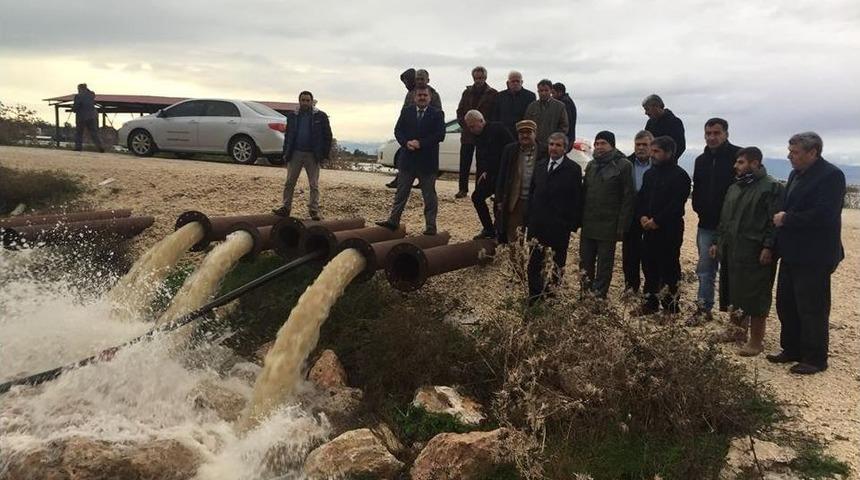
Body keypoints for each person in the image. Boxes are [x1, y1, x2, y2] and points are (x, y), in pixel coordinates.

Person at [768, 132, 845, 375]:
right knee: (786, 303)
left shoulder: (831, 176)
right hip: (791, 252)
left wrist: (788, 219)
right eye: (789, 151)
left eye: (795, 152)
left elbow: (825, 214)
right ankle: (792, 348)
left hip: (815, 254)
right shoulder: (794, 174)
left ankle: (815, 358)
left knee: (812, 307)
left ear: (813, 152)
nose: (789, 156)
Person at [710, 147, 783, 356]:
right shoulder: (735, 187)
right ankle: (736, 331)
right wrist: (716, 241)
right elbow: (724, 219)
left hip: (755, 250)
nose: (736, 166)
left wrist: (769, 246)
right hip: (732, 248)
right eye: (737, 162)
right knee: (734, 289)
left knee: (756, 294)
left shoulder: (770, 187)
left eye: (741, 162)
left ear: (755, 163)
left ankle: (756, 341)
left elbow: (774, 222)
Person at [689, 118, 742, 324]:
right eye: (708, 133)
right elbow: (699, 188)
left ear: (726, 134)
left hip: (733, 227)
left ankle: (737, 317)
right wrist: (699, 208)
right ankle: (703, 309)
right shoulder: (700, 160)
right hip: (707, 224)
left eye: (716, 133)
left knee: (733, 270)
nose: (712, 137)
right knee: (705, 268)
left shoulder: (737, 157)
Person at [377, 86, 446, 235]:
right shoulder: (406, 112)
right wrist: (405, 142)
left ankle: (430, 227)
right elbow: (398, 131)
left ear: (429, 97)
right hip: (407, 160)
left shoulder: (437, 114)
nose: (422, 97)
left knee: (429, 196)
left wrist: (421, 143)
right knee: (401, 193)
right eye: (419, 95)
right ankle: (393, 221)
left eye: (424, 95)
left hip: (427, 162)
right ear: (415, 97)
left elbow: (440, 135)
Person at [634, 136, 691, 315]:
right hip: (648, 229)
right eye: (652, 151)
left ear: (669, 153)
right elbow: (642, 198)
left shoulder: (680, 176)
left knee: (669, 269)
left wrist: (657, 221)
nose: (652, 155)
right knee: (649, 266)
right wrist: (642, 216)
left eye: (656, 151)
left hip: (669, 230)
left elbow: (676, 205)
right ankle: (649, 304)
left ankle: (670, 307)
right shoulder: (650, 173)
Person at [526, 132, 583, 302]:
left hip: (559, 226)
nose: (554, 148)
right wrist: (529, 217)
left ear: (565, 148)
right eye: (551, 144)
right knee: (534, 262)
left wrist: (571, 224)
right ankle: (535, 295)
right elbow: (532, 193)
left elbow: (576, 199)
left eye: (558, 145)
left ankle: (552, 293)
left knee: (557, 262)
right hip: (537, 224)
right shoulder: (540, 165)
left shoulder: (573, 169)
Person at [579, 131, 635, 298]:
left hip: (609, 224)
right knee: (585, 261)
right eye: (596, 144)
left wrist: (622, 225)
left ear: (612, 145)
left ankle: (599, 296)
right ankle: (584, 293)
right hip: (589, 222)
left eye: (603, 143)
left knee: (604, 264)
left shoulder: (623, 165)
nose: (599, 147)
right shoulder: (591, 165)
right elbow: (585, 192)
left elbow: (628, 196)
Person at [273, 91, 332, 220]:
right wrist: (285, 153)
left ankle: (313, 210)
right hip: (295, 153)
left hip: (313, 154)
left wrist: (324, 155)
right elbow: (288, 136)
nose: (305, 102)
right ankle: (286, 207)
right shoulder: (293, 116)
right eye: (303, 100)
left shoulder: (320, 116)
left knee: (313, 185)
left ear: (312, 101)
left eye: (307, 100)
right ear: (299, 101)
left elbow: (328, 136)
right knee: (289, 182)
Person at [465, 110, 514, 239]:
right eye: (469, 127)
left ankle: (499, 232)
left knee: (498, 204)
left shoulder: (498, 128)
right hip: (487, 175)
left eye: (472, 126)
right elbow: (480, 156)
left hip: (502, 174)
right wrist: (481, 172)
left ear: (481, 121)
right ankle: (488, 229)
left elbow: (511, 149)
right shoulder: (477, 135)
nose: (471, 130)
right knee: (477, 197)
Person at [494, 120, 542, 243]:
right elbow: (502, 176)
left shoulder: (544, 151)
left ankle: (532, 262)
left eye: (528, 132)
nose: (525, 135)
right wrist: (499, 199)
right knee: (514, 236)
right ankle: (515, 262)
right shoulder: (510, 150)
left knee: (536, 238)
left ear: (535, 133)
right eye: (521, 133)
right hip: (516, 201)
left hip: (536, 202)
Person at [455, 66, 498, 199]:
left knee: (482, 162)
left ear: (485, 78)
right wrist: (467, 126)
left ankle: (480, 188)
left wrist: (485, 128)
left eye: (481, 78)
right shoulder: (466, 92)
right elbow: (460, 111)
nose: (478, 80)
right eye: (476, 78)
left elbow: (495, 114)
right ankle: (463, 189)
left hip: (484, 134)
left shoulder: (493, 94)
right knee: (464, 162)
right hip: (468, 134)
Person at [622, 130, 653, 292]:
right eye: (638, 144)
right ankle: (631, 288)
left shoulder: (657, 164)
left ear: (651, 146)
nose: (640, 148)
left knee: (650, 256)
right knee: (629, 255)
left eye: (644, 145)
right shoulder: (626, 164)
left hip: (651, 216)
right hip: (630, 214)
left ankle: (651, 291)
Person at [524, 79, 568, 149]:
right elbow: (527, 125)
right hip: (534, 145)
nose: (543, 93)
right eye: (541, 91)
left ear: (551, 91)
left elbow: (564, 126)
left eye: (546, 90)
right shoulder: (532, 106)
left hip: (551, 146)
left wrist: (555, 140)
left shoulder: (560, 106)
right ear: (538, 91)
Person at [491, 71, 536, 137]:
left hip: (522, 132)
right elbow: (495, 115)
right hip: (503, 132)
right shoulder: (500, 96)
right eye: (513, 81)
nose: (515, 83)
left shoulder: (530, 96)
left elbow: (532, 116)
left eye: (517, 81)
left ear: (522, 82)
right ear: (508, 83)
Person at [642, 94, 686, 160]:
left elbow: (681, 146)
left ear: (656, 106)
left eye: (647, 109)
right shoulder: (650, 123)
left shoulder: (675, 122)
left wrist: (668, 161)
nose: (646, 113)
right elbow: (645, 142)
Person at [71, 83, 104, 152]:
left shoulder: (78, 96)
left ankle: (78, 147)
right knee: (94, 133)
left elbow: (76, 107)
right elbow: (90, 94)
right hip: (92, 116)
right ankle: (100, 147)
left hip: (81, 117)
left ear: (80, 89)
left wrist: (73, 109)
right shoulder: (91, 95)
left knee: (79, 132)